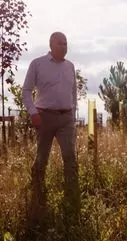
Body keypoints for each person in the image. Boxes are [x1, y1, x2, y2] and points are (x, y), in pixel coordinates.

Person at [22, 31, 80, 221]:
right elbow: (26, 90)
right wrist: (33, 112)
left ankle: (72, 201)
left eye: (66, 43)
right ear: (51, 45)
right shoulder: (38, 64)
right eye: (60, 44)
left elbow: (73, 93)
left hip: (66, 119)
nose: (64, 47)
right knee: (41, 158)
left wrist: (73, 113)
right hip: (44, 117)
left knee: (70, 157)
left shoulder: (70, 66)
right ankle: (38, 197)